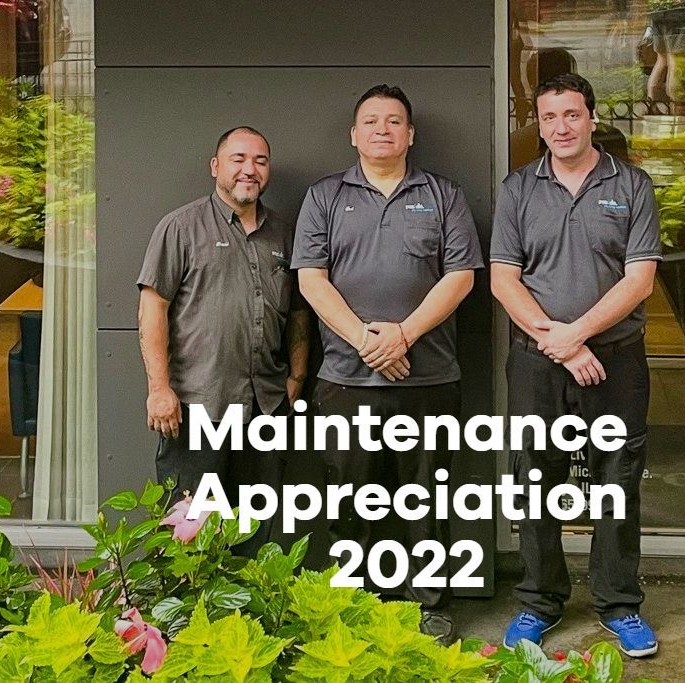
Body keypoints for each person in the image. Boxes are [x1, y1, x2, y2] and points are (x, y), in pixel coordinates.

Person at [292, 84, 483, 645]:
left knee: (425, 494)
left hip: (429, 376)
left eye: (394, 121)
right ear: (354, 135)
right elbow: (310, 278)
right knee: (348, 496)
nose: (382, 129)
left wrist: (403, 335)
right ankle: (354, 603)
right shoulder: (325, 196)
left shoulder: (443, 195)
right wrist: (364, 341)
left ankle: (430, 605)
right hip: (344, 380)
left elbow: (462, 276)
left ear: (410, 135)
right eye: (371, 121)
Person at [490, 73, 660, 658]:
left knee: (618, 482)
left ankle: (619, 604)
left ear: (591, 117)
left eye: (570, 115)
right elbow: (503, 279)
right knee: (534, 480)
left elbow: (639, 280)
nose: (559, 127)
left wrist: (579, 335)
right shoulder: (517, 189)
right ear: (537, 124)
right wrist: (559, 344)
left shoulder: (632, 185)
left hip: (617, 360)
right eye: (547, 118)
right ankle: (538, 602)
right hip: (536, 363)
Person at [137, 126, 309, 554]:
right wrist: (159, 388)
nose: (249, 169)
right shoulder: (180, 227)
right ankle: (190, 620)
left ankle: (247, 618)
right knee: (189, 534)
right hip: (199, 406)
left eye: (260, 161)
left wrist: (298, 376)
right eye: (239, 159)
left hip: (265, 406)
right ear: (216, 166)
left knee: (256, 533)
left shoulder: (285, 236)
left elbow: (300, 312)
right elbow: (152, 307)